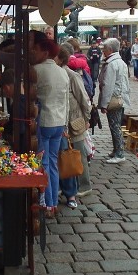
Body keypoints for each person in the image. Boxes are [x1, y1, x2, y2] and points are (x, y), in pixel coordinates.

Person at [30, 37, 69, 216]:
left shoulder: (36, 70)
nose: (33, 53)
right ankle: (53, 203)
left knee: (43, 163)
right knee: (53, 163)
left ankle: (46, 203)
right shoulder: (63, 72)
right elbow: (66, 102)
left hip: (44, 122)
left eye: (35, 50)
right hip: (59, 122)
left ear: (45, 52)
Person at [57, 44, 93, 205]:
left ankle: (84, 185)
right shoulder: (59, 74)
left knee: (79, 154)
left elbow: (84, 99)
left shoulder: (72, 75)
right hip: (63, 121)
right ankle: (68, 185)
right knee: (66, 155)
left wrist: (87, 119)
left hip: (75, 120)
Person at [98, 37, 131, 164]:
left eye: (104, 49)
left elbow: (108, 85)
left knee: (115, 126)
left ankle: (119, 153)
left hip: (114, 98)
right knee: (115, 125)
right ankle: (116, 149)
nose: (103, 52)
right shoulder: (120, 62)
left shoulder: (111, 64)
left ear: (110, 49)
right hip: (121, 97)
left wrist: (104, 104)